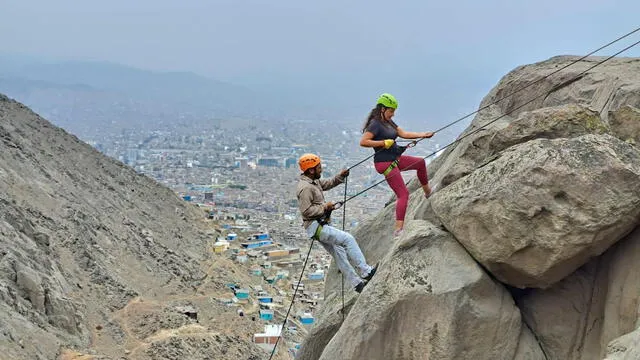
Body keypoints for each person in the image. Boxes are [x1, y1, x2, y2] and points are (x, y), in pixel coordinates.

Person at [296, 153, 377, 293]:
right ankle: (366, 271)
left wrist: (341, 176)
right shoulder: (306, 188)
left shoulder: (313, 182)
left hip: (319, 226)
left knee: (339, 254)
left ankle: (356, 283)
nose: (321, 169)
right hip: (316, 226)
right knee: (348, 239)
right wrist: (325, 207)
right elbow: (306, 211)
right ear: (311, 170)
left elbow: (327, 184)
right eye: (319, 167)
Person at [359, 93, 435, 237]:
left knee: (420, 162)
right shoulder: (375, 124)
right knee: (403, 194)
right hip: (384, 163)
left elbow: (403, 134)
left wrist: (423, 135)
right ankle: (398, 230)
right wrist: (382, 143)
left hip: (394, 158)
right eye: (391, 110)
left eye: (394, 111)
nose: (393, 114)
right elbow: (363, 142)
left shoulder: (389, 123)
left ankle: (428, 192)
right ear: (382, 109)